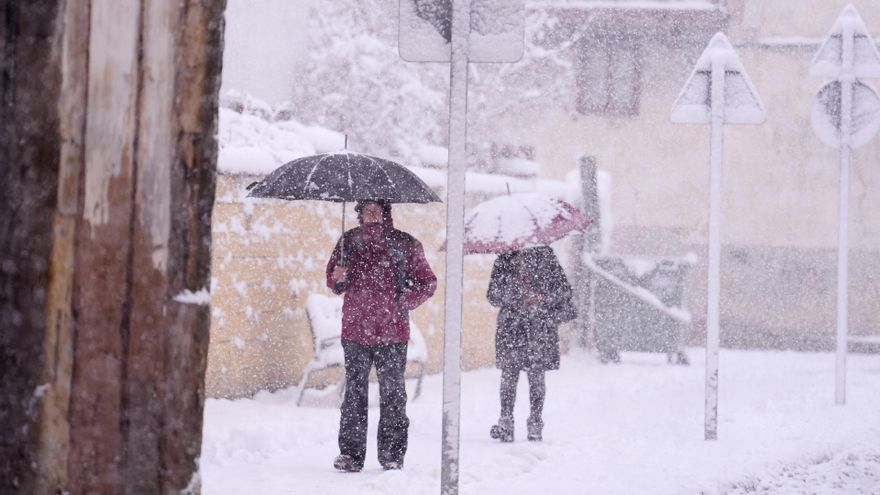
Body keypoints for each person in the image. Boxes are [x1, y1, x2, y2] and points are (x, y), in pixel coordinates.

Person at [326, 199, 437, 472]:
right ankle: (351, 455)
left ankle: (392, 455)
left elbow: (428, 282)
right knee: (354, 394)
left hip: (392, 332)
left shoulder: (405, 244)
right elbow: (335, 282)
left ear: (386, 211)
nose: (372, 214)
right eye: (367, 210)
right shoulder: (348, 241)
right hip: (355, 330)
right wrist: (337, 277)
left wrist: (404, 302)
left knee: (393, 395)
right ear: (360, 213)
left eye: (377, 209)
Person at [486, 246, 576, 442]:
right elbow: (492, 295)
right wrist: (517, 296)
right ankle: (506, 421)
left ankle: (535, 422)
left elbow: (563, 291)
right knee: (509, 374)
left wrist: (541, 298)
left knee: (536, 375)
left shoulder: (546, 256)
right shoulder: (504, 259)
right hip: (512, 326)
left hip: (539, 326)